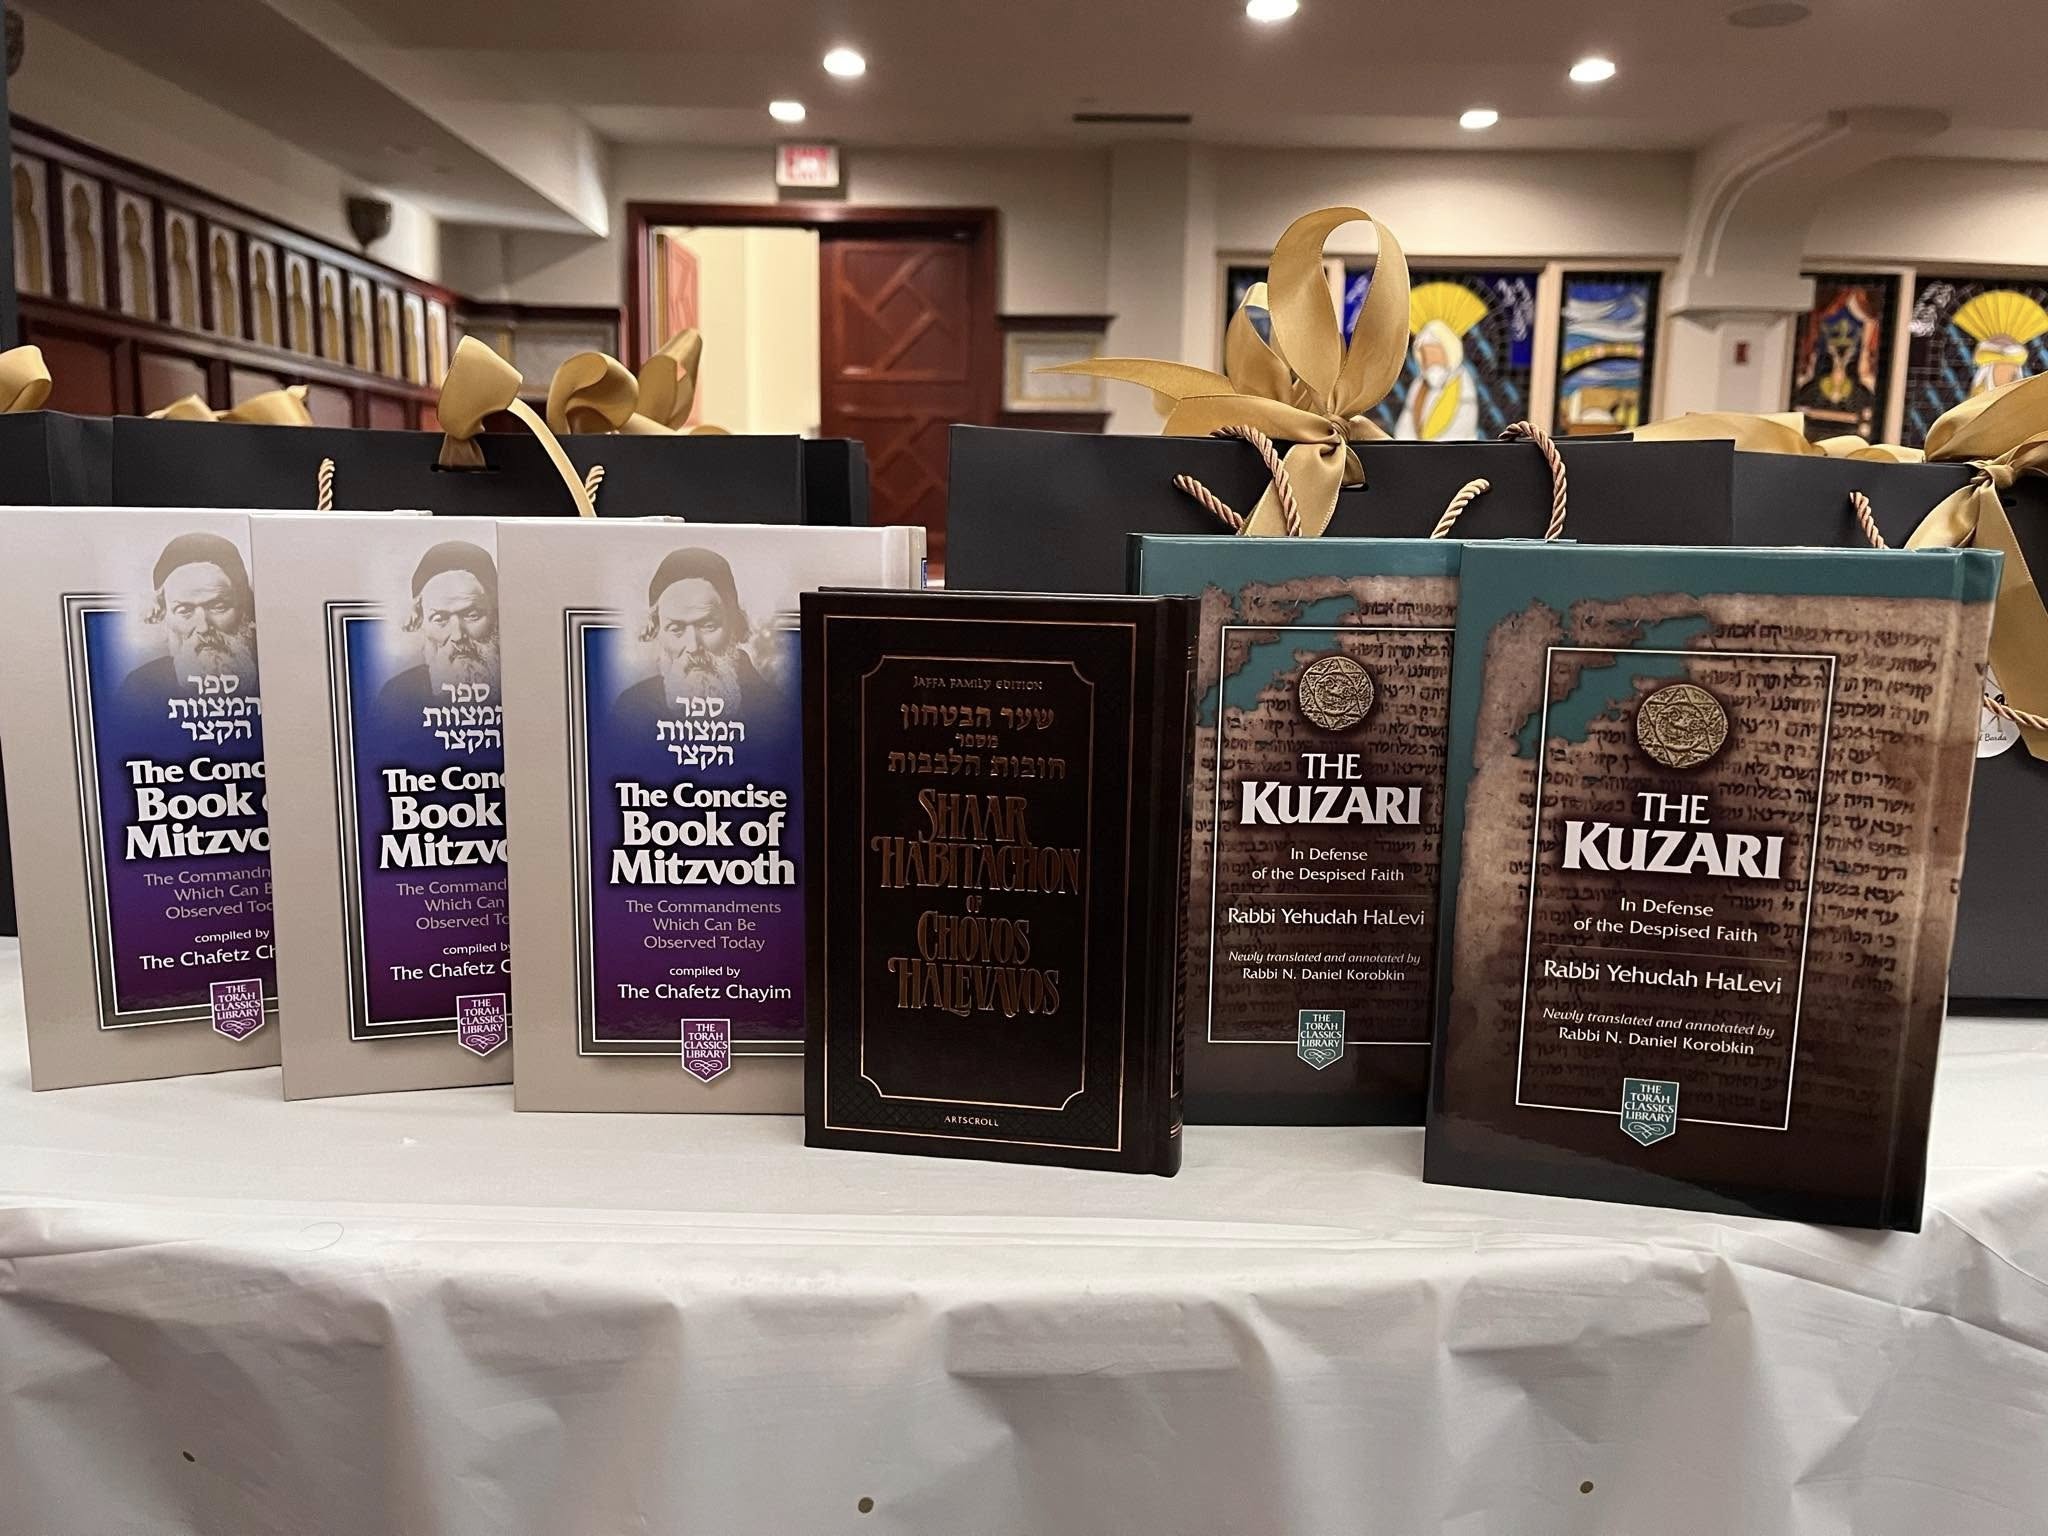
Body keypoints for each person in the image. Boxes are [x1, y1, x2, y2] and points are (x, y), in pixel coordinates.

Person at [613, 547, 772, 724]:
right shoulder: (632, 709)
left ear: (735, 625)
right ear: (657, 631)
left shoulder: (773, 711)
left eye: (708, 626)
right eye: (676, 629)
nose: (693, 646)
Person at [123, 533, 258, 704]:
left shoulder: (276, 672)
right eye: (184, 610)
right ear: (165, 616)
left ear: (244, 610)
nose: (203, 627)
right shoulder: (140, 686)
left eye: (218, 607)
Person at [378, 541, 501, 720]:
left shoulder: (529, 682)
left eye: (472, 615)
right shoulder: (397, 695)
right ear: (422, 622)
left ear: (496, 616)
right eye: (440, 619)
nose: (458, 636)